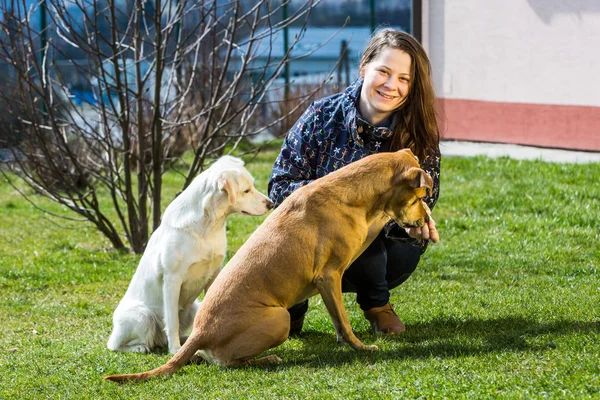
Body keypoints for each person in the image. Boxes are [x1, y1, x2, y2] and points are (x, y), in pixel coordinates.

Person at [268, 28, 441, 336]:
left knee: (363, 229)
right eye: (384, 72)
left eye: (404, 79)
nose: (392, 85)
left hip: (384, 252)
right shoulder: (321, 116)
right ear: (364, 67)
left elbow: (427, 193)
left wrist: (412, 224)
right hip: (309, 241)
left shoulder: (418, 132)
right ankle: (288, 306)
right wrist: (333, 204)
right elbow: (280, 186)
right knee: (342, 222)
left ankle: (377, 305)